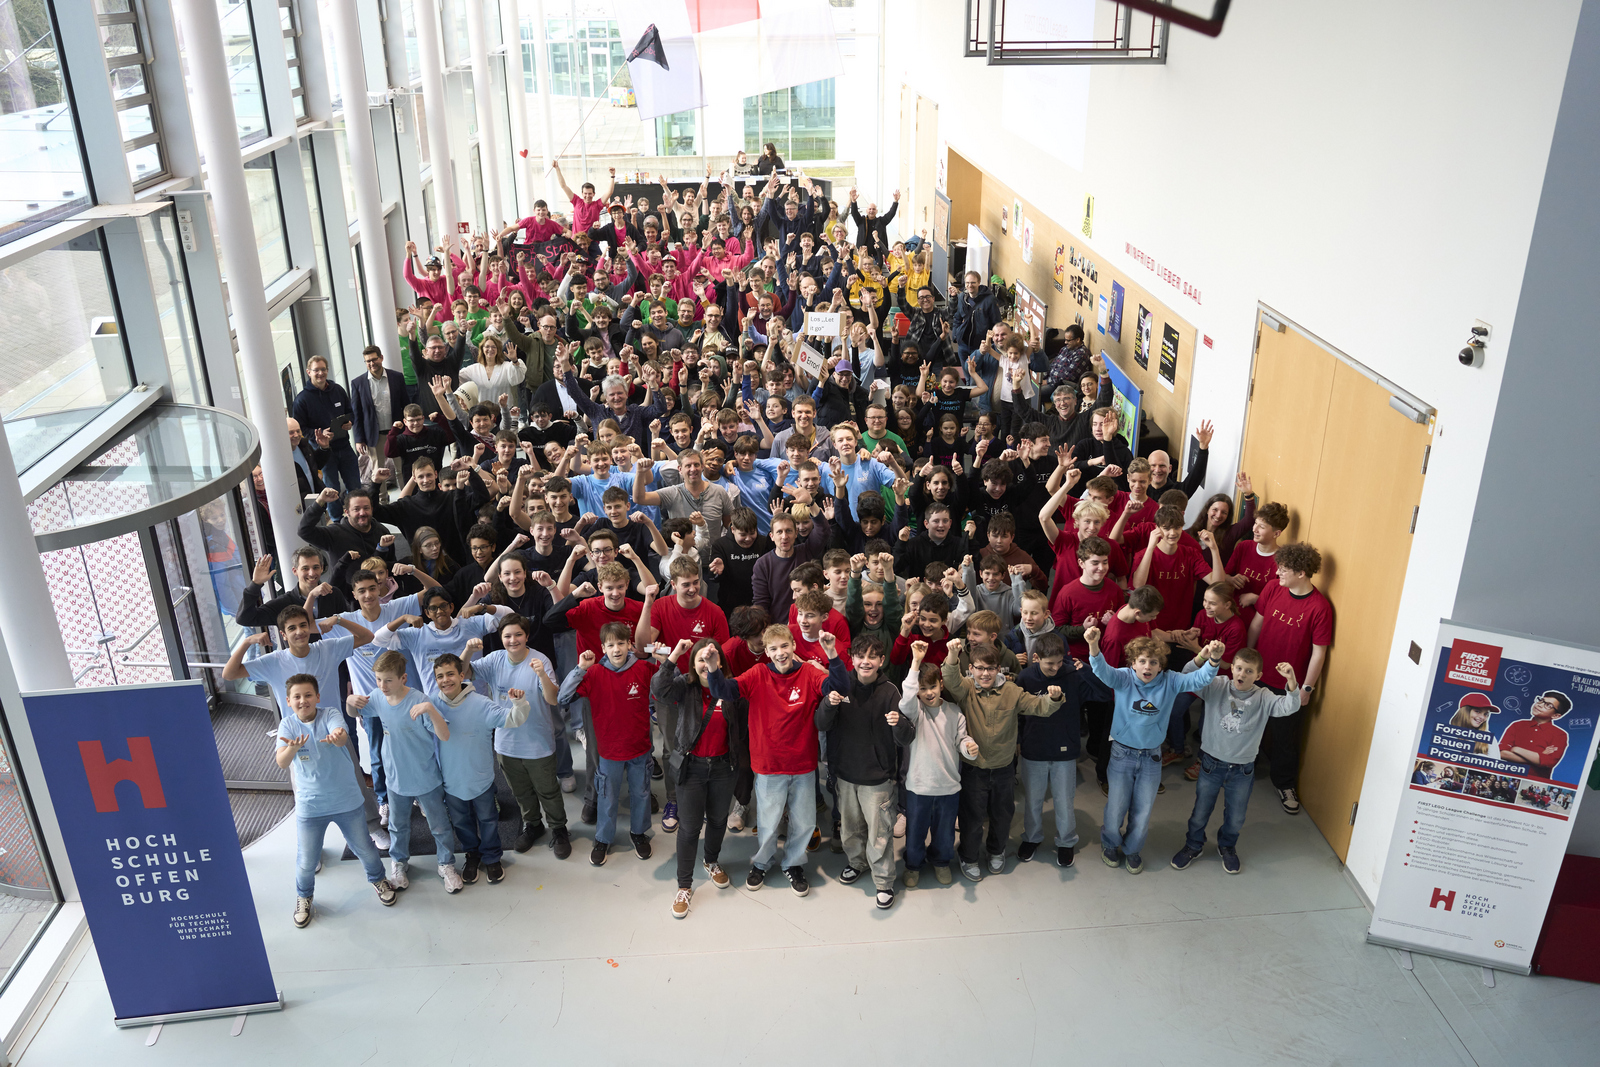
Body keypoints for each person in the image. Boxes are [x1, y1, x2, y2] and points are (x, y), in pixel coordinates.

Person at [709, 624, 848, 896]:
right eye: (773, 648)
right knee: (769, 821)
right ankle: (761, 862)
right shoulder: (758, 674)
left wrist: (831, 653)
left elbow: (840, 686)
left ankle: (794, 863)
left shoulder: (808, 673)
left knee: (805, 821)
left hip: (803, 764)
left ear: (794, 646)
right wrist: (714, 668)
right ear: (767, 652)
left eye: (785, 646)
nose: (780, 653)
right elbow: (725, 691)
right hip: (769, 765)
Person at [1087, 626, 1223, 875]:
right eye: (1142, 661)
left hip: (1151, 757)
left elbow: (1199, 679)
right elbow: (1102, 671)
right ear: (1133, 663)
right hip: (1121, 754)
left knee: (1143, 810)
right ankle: (1110, 845)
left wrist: (1213, 659)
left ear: (1161, 665)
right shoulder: (1124, 677)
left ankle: (1132, 850)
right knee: (1116, 807)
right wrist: (1093, 646)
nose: (1147, 667)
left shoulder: (1170, 681)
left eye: (1153, 662)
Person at [941, 638, 1066, 881]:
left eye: (990, 668)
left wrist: (1053, 698)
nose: (984, 673)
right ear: (972, 669)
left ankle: (996, 851)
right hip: (974, 768)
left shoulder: (1011, 690)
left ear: (999, 668)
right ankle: (968, 856)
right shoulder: (966, 688)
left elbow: (1037, 706)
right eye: (979, 668)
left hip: (1003, 769)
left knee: (1002, 815)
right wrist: (953, 654)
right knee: (973, 817)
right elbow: (950, 679)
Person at [277, 674, 397, 928]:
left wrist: (337, 737)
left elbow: (341, 736)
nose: (303, 700)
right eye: (297, 697)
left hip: (346, 801)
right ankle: (304, 896)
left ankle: (379, 879)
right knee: (307, 860)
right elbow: (282, 761)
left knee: (364, 848)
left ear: (317, 697)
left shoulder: (330, 713)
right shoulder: (287, 726)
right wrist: (293, 749)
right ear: (289, 701)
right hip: (311, 806)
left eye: (308, 695)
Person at [1169, 649, 1303, 875]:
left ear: (1258, 676)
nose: (1242, 674)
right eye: (1239, 668)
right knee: (1200, 811)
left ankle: (1227, 846)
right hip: (1211, 764)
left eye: (1249, 671)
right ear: (1231, 668)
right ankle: (1193, 845)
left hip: (1242, 770)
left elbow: (1289, 707)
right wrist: (1203, 655)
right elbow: (1188, 676)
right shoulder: (1217, 685)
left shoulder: (1263, 696)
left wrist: (1291, 680)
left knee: (1236, 816)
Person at [346, 652, 462, 893]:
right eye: (378, 679)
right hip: (395, 778)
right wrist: (350, 702)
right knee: (398, 826)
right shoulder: (378, 697)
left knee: (439, 825)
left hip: (426, 777)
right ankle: (399, 863)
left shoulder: (419, 700)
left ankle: (446, 864)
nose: (382, 685)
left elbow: (445, 735)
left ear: (403, 678)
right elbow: (354, 713)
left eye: (388, 680)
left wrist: (430, 709)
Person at [653, 637, 748, 919]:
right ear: (694, 665)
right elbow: (659, 689)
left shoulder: (732, 688)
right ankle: (684, 885)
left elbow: (740, 729)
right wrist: (674, 656)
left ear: (720, 662)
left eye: (712, 660)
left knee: (719, 819)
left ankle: (711, 860)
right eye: (701, 661)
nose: (707, 665)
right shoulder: (685, 685)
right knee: (690, 827)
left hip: (723, 767)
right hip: (692, 767)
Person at [635, 556, 732, 832]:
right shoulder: (662, 606)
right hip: (672, 688)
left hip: (704, 690)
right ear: (673, 584)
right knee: (671, 749)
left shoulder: (714, 612)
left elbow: (722, 657)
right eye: (686, 584)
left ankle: (701, 800)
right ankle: (675, 800)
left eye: (696, 582)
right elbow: (642, 647)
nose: (693, 589)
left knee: (704, 747)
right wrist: (647, 604)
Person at [816, 634, 912, 909]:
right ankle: (857, 863)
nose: (865, 662)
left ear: (882, 661)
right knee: (849, 829)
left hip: (878, 779)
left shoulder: (891, 692)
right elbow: (821, 724)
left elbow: (906, 738)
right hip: (845, 775)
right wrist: (828, 704)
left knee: (879, 833)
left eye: (872, 656)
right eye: (860, 656)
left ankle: (883, 881)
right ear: (852, 659)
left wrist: (899, 724)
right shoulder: (840, 686)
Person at [557, 621, 658, 867]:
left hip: (639, 748)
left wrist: (665, 662)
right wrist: (580, 668)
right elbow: (563, 697)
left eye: (621, 643)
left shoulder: (645, 669)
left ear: (629, 645)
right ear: (603, 648)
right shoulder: (594, 674)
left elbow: (668, 689)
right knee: (607, 797)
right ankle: (603, 838)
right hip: (609, 752)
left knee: (641, 793)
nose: (616, 650)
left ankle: (639, 833)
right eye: (610, 645)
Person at [469, 615, 570, 858]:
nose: (513, 640)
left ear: (526, 636)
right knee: (521, 792)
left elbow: (553, 699)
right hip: (506, 744)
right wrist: (466, 650)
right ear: (501, 638)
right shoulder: (495, 659)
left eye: (518, 635)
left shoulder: (540, 660)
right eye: (507, 636)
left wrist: (542, 675)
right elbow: (466, 673)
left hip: (538, 742)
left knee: (548, 791)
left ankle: (559, 829)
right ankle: (533, 825)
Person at [1245, 542, 1333, 815]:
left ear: (1302, 573)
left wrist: (1306, 688)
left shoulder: (1320, 608)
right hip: (1258, 675)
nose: (1278, 572)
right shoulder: (1272, 588)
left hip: (1288, 686)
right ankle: (1240, 770)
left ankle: (1284, 784)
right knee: (1247, 726)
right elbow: (1257, 624)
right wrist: (1246, 664)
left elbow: (1319, 653)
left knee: (1284, 739)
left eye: (1284, 569)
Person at [1015, 633, 1111, 867]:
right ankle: (1032, 837)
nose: (1056, 668)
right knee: (1033, 801)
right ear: (1036, 658)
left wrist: (1086, 670)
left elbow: (1105, 694)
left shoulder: (1074, 675)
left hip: (1065, 752)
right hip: (1033, 750)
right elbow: (1016, 714)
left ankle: (1066, 842)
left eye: (1060, 662)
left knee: (1064, 801)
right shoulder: (1025, 678)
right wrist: (1018, 744)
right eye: (1050, 664)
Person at [898, 643, 976, 888]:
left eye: (932, 686)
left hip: (948, 787)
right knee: (915, 834)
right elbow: (906, 700)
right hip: (919, 787)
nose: (929, 692)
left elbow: (962, 739)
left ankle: (941, 861)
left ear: (941, 685)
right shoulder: (915, 711)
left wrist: (968, 747)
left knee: (944, 834)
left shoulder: (955, 712)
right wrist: (915, 662)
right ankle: (913, 865)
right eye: (923, 689)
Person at [222, 604, 373, 720]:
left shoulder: (327, 648)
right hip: (298, 739)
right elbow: (229, 674)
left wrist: (339, 620)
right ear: (283, 635)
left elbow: (367, 636)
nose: (299, 632)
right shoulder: (273, 662)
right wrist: (247, 642)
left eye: (303, 625)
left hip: (332, 731)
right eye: (292, 628)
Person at [371, 587, 511, 698]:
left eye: (443, 606)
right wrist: (403, 618)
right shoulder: (417, 634)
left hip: (477, 702)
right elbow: (378, 639)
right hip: (438, 708)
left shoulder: (471, 624)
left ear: (451, 607)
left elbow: (509, 616)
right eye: (433, 608)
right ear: (427, 613)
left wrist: (482, 607)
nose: (439, 611)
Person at [293, 355, 362, 520]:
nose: (320, 373)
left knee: (355, 486)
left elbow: (350, 411)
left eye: (323, 369)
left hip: (345, 447)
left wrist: (349, 422)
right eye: (316, 370)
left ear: (327, 370)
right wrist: (319, 435)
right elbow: (300, 428)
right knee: (331, 489)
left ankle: (357, 516)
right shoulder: (302, 400)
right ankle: (337, 521)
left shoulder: (337, 390)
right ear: (309, 372)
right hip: (323, 452)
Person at [350, 346, 409, 480]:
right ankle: (381, 501)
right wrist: (359, 439)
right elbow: (357, 414)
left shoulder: (396, 377)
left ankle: (406, 498)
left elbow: (406, 404)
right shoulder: (357, 383)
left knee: (402, 469)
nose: (371, 363)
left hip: (397, 432)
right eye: (368, 361)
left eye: (374, 359)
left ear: (381, 358)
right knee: (378, 472)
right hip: (374, 435)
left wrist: (408, 428)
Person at [1499, 691, 1573, 779]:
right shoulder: (1517, 725)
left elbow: (1548, 762)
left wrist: (1516, 749)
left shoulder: (1560, 735)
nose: (1540, 705)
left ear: (1556, 715)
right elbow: (1501, 753)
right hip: (1507, 776)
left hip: (1535, 781)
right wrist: (1538, 756)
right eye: (1541, 700)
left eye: (1548, 705)